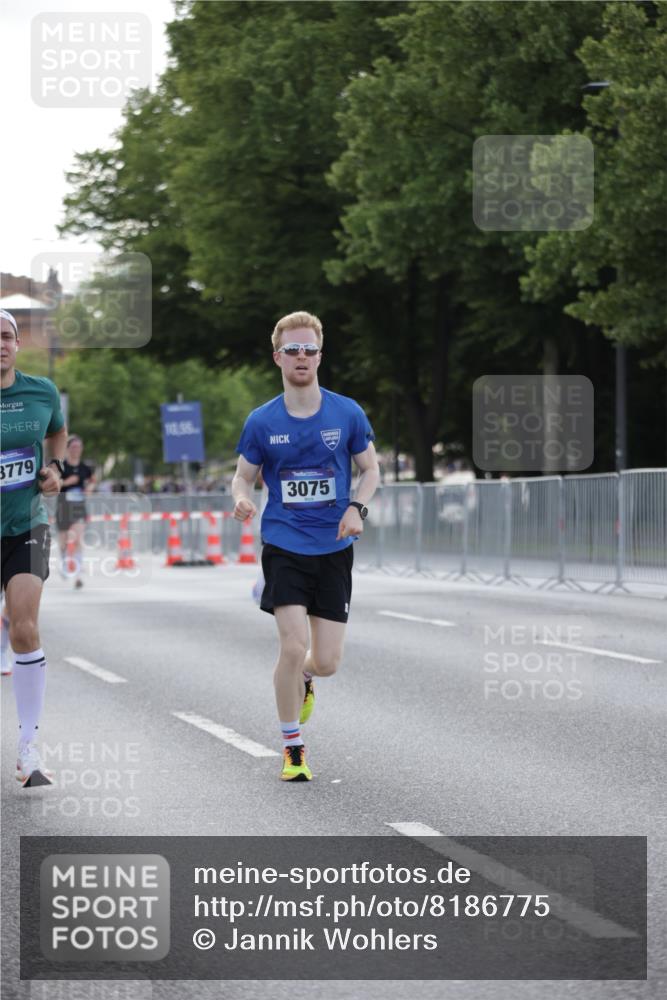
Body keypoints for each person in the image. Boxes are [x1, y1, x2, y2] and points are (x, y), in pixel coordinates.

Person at [232, 311, 379, 781]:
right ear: (278, 357)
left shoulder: (347, 413)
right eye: (292, 350)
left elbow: (370, 469)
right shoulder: (262, 421)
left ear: (320, 355)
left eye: (309, 349)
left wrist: (357, 508)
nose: (301, 357)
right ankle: (292, 747)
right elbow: (243, 476)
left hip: (333, 548)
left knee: (327, 662)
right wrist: (241, 500)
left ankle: (309, 680)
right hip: (284, 544)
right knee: (293, 646)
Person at [0, 308, 67, 786]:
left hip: (28, 524)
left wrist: (55, 468)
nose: (0, 344)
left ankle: (29, 747)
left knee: (23, 625)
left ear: (17, 344)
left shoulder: (41, 391)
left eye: (6, 336)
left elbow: (57, 431)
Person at [56, 434, 95, 589]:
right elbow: (54, 485)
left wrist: (90, 489)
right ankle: (65, 562)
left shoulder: (85, 467)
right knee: (63, 541)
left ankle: (78, 574)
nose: (76, 450)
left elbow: (93, 480)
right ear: (68, 449)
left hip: (79, 506)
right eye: (73, 447)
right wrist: (66, 482)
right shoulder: (62, 466)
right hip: (63, 506)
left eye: (79, 447)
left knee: (78, 539)